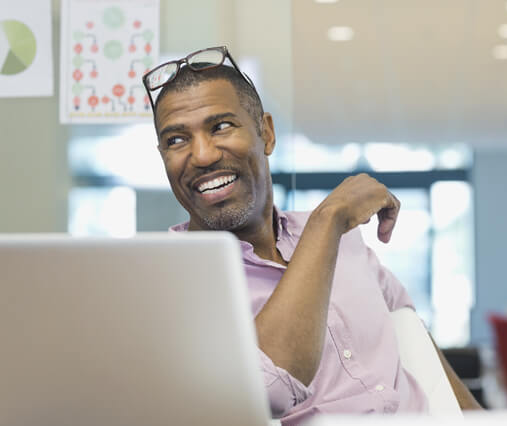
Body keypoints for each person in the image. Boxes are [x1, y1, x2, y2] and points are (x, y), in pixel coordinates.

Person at [143, 46, 481, 424]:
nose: (202, 155)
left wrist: (490, 420)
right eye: (176, 140)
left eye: (221, 126)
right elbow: (265, 389)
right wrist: (328, 221)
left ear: (266, 133)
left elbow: (412, 336)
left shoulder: (346, 241)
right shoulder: (168, 278)